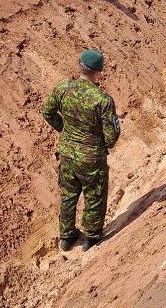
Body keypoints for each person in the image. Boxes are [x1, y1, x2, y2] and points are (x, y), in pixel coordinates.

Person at [42, 50, 121, 252]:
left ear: (80, 66)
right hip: (92, 157)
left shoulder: (62, 88)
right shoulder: (102, 100)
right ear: (99, 72)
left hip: (68, 153)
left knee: (68, 195)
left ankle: (67, 237)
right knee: (94, 196)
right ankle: (91, 237)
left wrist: (65, 131)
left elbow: (47, 112)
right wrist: (96, 144)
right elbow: (112, 137)